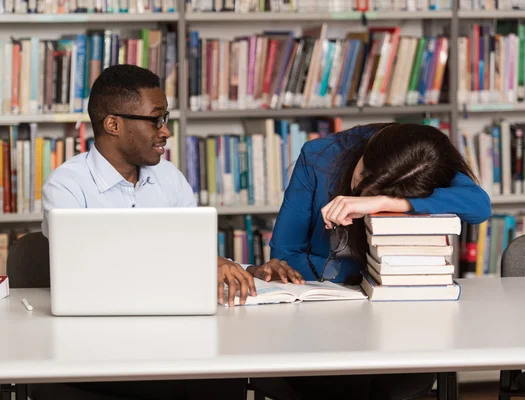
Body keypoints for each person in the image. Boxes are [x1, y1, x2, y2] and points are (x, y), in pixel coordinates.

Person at [37, 64, 303, 400]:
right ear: (113, 124)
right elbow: (90, 275)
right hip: (97, 343)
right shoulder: (66, 187)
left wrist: (245, 271)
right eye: (156, 119)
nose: (166, 132)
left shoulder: (169, 178)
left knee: (224, 373)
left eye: (166, 119)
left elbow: (193, 252)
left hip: (177, 335)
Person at [267, 122, 492, 399]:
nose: (361, 191)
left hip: (401, 319)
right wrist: (365, 274)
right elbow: (283, 257)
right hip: (325, 320)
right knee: (342, 383)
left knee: (402, 378)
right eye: (362, 176)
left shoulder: (423, 161)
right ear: (364, 152)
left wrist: (385, 203)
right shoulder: (320, 157)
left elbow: (479, 207)